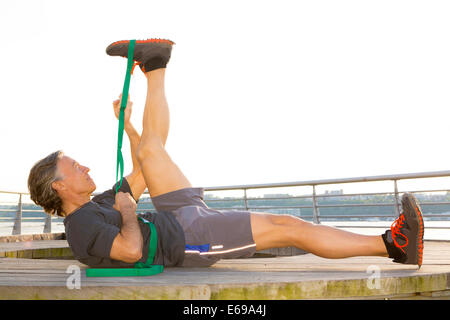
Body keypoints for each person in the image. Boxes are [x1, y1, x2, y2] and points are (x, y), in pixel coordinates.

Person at [27, 39, 424, 269]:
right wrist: (129, 210)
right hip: (188, 239)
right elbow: (130, 250)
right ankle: (392, 245)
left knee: (150, 149)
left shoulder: (95, 204)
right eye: (76, 167)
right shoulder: (81, 228)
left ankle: (156, 65)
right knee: (286, 224)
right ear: (59, 186)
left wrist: (127, 125)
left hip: (174, 217)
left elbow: (143, 170)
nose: (86, 166)